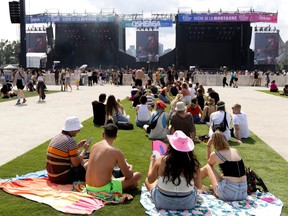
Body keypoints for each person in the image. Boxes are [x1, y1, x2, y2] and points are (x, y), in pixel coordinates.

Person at [145, 130, 201, 210]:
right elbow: (198, 186)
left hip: (162, 202)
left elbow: (150, 180)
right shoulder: (194, 164)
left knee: (148, 180)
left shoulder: (161, 160)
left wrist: (152, 162)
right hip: (187, 203)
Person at [86, 124, 141, 194]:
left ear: (103, 134)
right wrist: (130, 167)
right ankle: (119, 189)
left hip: (88, 186)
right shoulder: (116, 152)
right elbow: (128, 175)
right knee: (137, 175)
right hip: (103, 189)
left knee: (134, 184)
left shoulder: (94, 146)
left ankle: (122, 187)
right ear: (115, 137)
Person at [200, 131, 247, 201]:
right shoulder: (235, 150)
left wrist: (208, 146)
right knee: (224, 175)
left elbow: (209, 163)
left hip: (227, 193)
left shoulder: (216, 154)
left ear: (213, 142)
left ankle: (192, 180)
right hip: (243, 192)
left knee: (208, 167)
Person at [46, 116, 89, 184]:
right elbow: (76, 164)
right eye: (77, 129)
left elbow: (65, 152)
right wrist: (85, 149)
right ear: (72, 129)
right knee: (89, 165)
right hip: (62, 178)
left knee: (80, 154)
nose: (79, 131)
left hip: (51, 176)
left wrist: (77, 146)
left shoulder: (56, 137)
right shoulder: (71, 142)